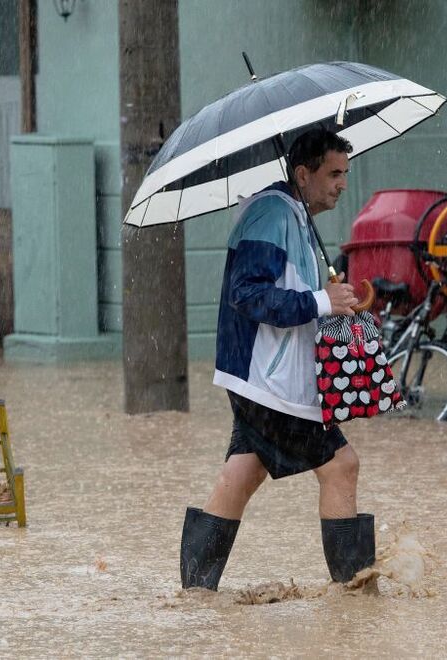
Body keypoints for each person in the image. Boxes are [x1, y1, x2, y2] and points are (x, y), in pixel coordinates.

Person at [180, 128, 375, 590]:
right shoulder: (271, 212)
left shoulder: (294, 212)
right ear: (302, 174)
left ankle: (194, 594)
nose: (342, 184)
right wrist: (322, 302)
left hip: (260, 380)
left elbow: (291, 290)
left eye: (345, 173)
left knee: (244, 471)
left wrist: (330, 296)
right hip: (269, 382)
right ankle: (355, 601)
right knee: (342, 465)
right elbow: (245, 294)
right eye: (333, 173)